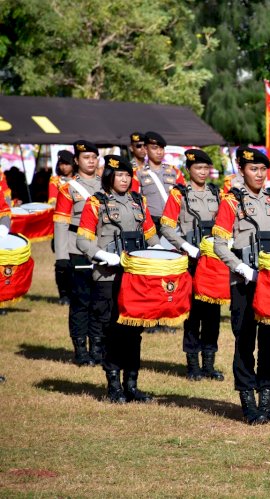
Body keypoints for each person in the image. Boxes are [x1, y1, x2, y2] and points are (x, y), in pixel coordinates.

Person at [213, 147, 270, 425]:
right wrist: (242, 269)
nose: (259, 174)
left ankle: (267, 401)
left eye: (263, 169)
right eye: (253, 169)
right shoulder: (231, 201)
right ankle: (248, 401)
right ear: (242, 170)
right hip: (244, 282)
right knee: (245, 340)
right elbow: (219, 246)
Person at [76, 154, 161, 403]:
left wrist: (158, 250)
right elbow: (83, 239)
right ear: (110, 176)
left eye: (127, 175)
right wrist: (102, 255)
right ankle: (113, 385)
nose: (124, 179)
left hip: (135, 276)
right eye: (119, 175)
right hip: (108, 275)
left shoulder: (138, 201)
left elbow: (151, 235)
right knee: (111, 329)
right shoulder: (96, 202)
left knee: (134, 330)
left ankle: (131, 384)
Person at [161, 149, 223, 382]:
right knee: (193, 312)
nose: (203, 172)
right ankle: (192, 364)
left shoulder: (217, 193)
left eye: (206, 168)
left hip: (214, 260)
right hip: (192, 259)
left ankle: (209, 363)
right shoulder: (180, 194)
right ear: (189, 170)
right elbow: (166, 226)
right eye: (198, 168)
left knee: (213, 312)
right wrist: (187, 247)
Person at [53, 141, 103, 366]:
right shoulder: (69, 188)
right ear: (76, 161)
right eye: (86, 157)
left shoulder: (107, 186)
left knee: (100, 301)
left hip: (102, 250)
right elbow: (61, 223)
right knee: (81, 301)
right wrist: (61, 256)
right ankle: (80, 349)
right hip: (77, 249)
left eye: (94, 157)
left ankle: (97, 347)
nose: (91, 161)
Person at [131, 131, 186, 234]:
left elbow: (184, 198)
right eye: (155, 148)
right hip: (151, 225)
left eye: (161, 148)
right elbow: (134, 202)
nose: (159, 152)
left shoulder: (175, 172)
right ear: (146, 149)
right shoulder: (137, 173)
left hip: (174, 224)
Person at [50, 150, 75, 305]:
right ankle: (63, 294)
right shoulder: (55, 181)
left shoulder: (79, 180)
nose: (64, 167)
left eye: (67, 163)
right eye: (61, 163)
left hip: (77, 227)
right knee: (61, 262)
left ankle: (74, 292)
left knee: (75, 262)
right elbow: (53, 201)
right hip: (61, 227)